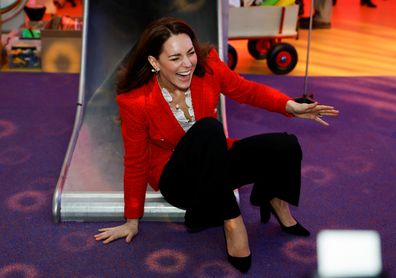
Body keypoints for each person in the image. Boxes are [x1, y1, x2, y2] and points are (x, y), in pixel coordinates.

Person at [94, 17, 339, 273]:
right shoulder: (135, 101)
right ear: (155, 62)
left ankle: (275, 200)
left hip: (215, 166)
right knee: (209, 129)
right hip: (180, 180)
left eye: (190, 53)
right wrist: (132, 220)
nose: (187, 63)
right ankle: (232, 222)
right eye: (175, 58)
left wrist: (290, 106)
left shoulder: (208, 67)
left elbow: (247, 90)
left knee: (285, 145)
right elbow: (135, 160)